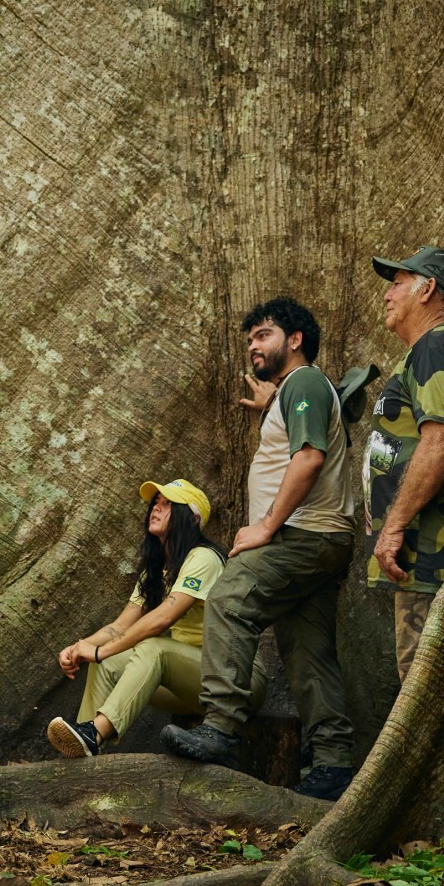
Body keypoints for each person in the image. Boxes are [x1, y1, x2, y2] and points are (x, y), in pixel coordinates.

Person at [161, 297, 360, 801]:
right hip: (322, 541)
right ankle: (333, 765)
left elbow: (310, 458)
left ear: (295, 340)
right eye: (249, 338)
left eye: (264, 334)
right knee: (308, 653)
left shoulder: (306, 383)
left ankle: (222, 728)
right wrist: (270, 407)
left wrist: (268, 526)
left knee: (229, 599)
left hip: (304, 535)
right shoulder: (294, 393)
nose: (253, 345)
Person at [47, 478, 245, 756]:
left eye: (167, 504)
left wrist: (100, 650)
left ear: (191, 517)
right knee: (106, 664)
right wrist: (81, 647)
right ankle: (82, 749)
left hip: (230, 681)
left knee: (152, 648)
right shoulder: (157, 571)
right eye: (155, 503)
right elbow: (119, 626)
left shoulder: (204, 558)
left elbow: (162, 619)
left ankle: (94, 733)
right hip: (189, 685)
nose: (156, 508)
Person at [366, 246, 444, 679]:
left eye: (397, 283)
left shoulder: (435, 347)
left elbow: (442, 441)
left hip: (431, 555)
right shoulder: (443, 349)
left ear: (428, 290)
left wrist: (395, 525)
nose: (387, 294)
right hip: (429, 556)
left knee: (423, 685)